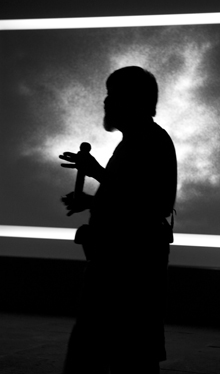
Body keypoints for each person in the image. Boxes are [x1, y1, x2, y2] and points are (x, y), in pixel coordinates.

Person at [59, 66, 177, 374]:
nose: (106, 102)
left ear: (134, 101)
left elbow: (154, 204)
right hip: (119, 262)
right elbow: (132, 198)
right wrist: (92, 201)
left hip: (130, 266)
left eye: (113, 96)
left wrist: (97, 172)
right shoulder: (137, 140)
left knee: (128, 350)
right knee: (117, 348)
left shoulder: (150, 140)